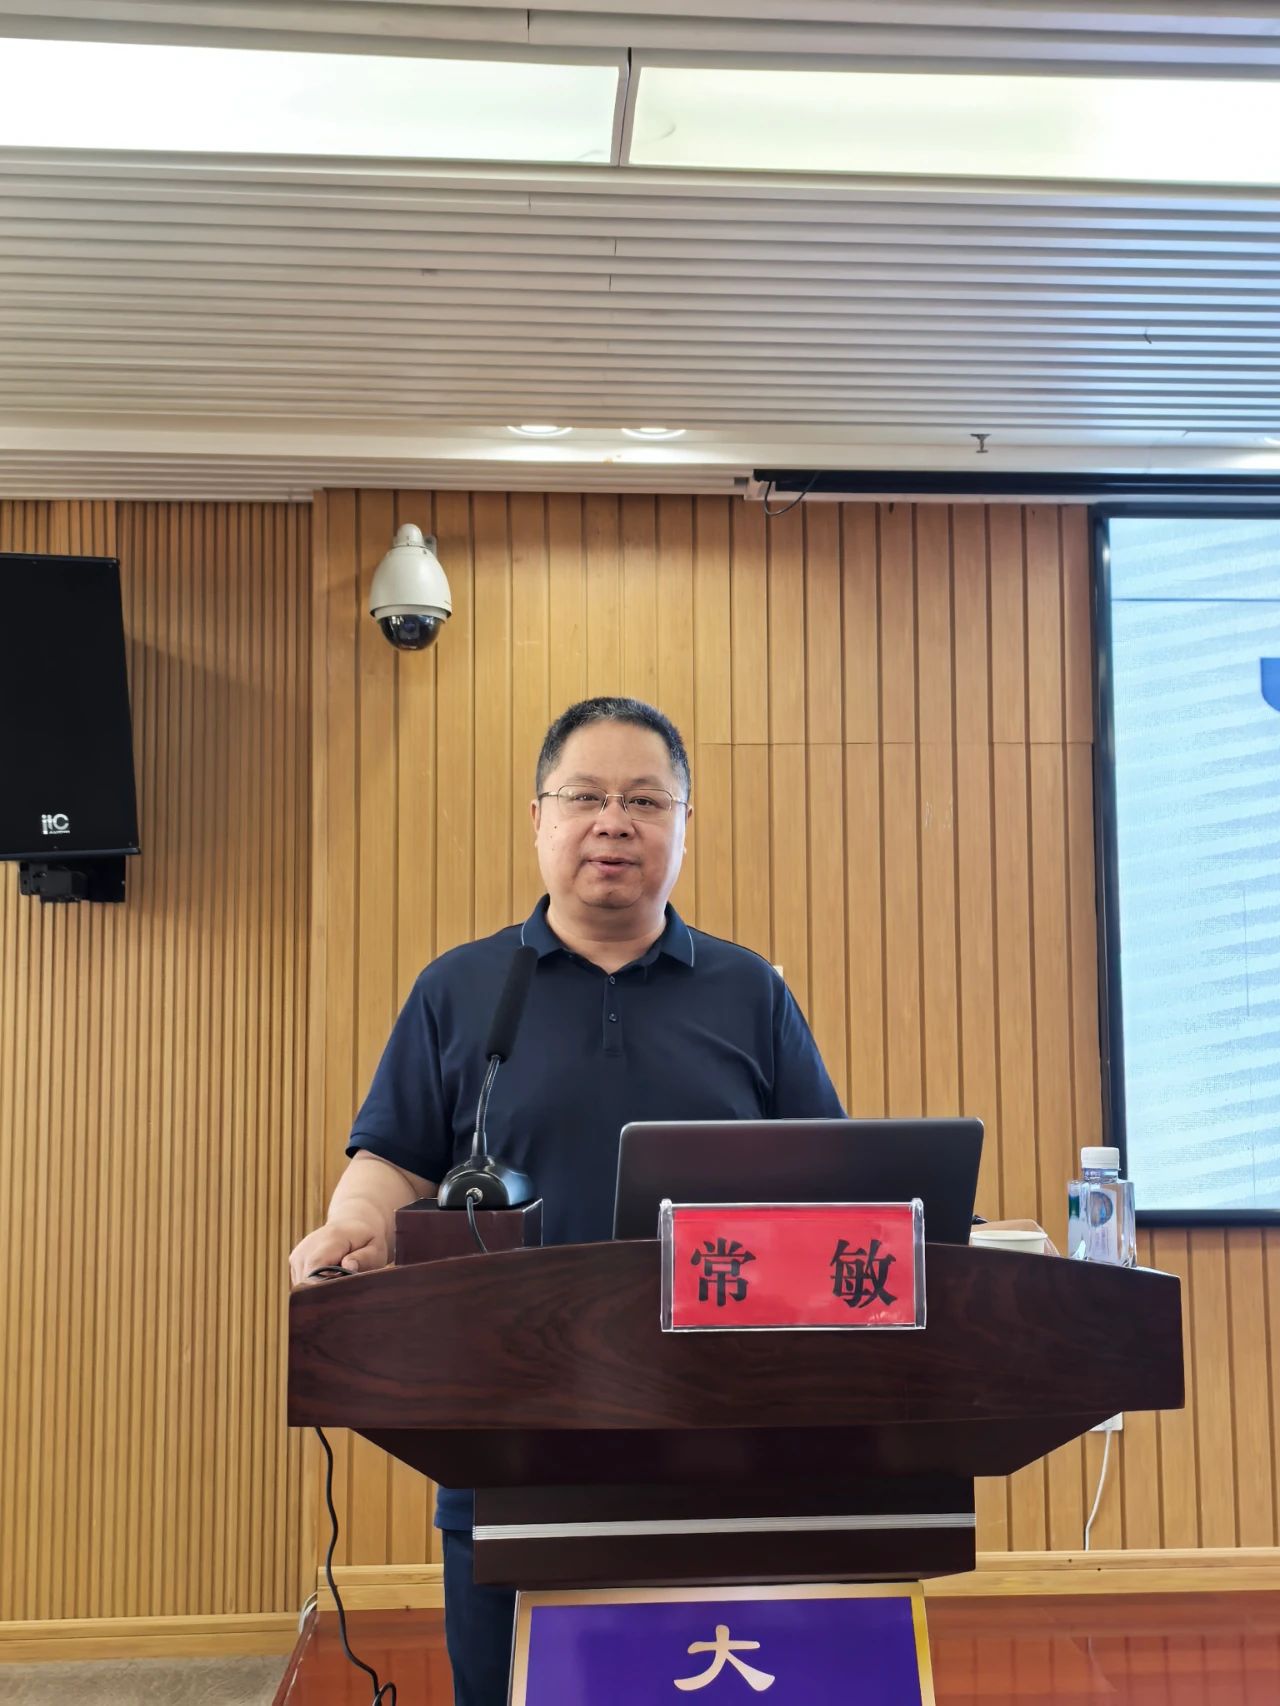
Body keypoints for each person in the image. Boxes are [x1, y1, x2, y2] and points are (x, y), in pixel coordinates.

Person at [289, 695, 844, 1706]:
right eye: (585, 796)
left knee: (711, 1680)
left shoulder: (749, 991)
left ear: (684, 824)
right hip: (510, 1422)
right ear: (539, 818)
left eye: (645, 800)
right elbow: (394, 1158)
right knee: (512, 1684)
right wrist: (355, 1225)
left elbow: (831, 1179)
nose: (613, 823)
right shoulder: (460, 989)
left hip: (720, 1426)